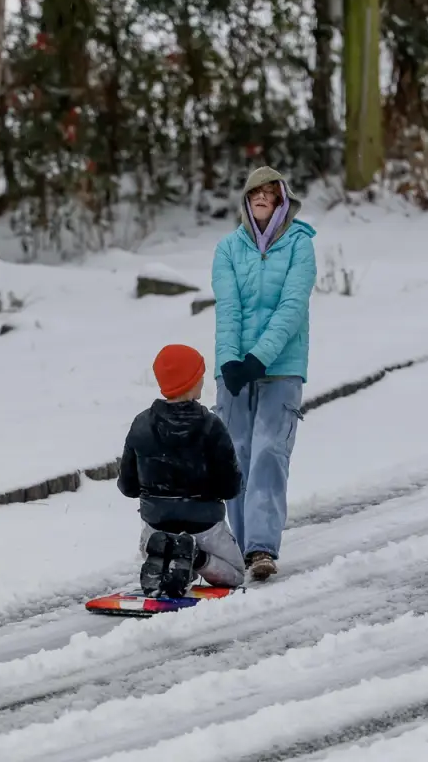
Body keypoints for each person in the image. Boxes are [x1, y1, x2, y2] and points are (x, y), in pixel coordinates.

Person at [211, 166, 317, 581]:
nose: (261, 197)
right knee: (235, 453)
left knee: (269, 452)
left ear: (280, 200)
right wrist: (230, 362)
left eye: (269, 192)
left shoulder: (300, 245)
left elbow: (292, 307)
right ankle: (235, 546)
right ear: (246, 198)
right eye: (255, 191)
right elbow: (228, 308)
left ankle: (260, 549)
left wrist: (260, 357)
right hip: (236, 368)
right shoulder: (228, 249)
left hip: (282, 367)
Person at [117, 343, 247, 598]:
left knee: (163, 541)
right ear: (191, 381)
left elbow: (128, 486)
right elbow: (230, 487)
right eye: (199, 374)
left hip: (156, 522)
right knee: (236, 574)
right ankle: (195, 557)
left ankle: (161, 554)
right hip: (203, 524)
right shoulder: (211, 425)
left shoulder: (141, 423)